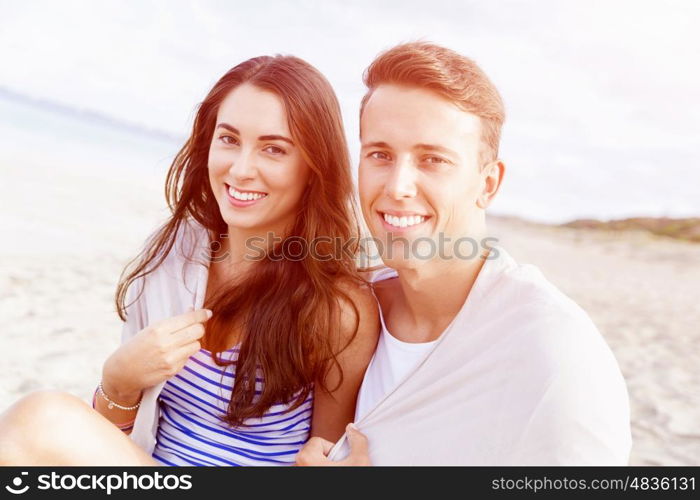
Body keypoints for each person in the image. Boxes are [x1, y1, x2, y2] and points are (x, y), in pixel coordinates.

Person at [0, 55, 379, 466]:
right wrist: (118, 383)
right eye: (229, 139)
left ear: (313, 167)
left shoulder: (337, 307)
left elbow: (323, 456)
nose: (241, 168)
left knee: (39, 418)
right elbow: (119, 438)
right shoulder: (175, 256)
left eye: (273, 149)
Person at [296, 42, 632, 466]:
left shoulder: (553, 352)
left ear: (488, 184)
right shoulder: (349, 309)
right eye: (379, 154)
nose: (397, 186)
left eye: (432, 159)